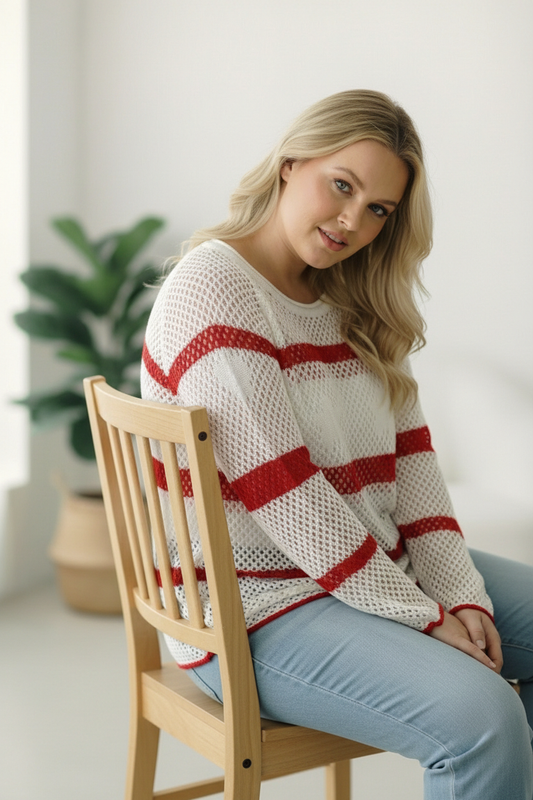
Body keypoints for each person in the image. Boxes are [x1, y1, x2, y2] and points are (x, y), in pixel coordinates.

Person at [141, 90, 533, 798]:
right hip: (250, 607)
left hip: (362, 576)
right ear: (291, 164)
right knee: (481, 717)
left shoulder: (353, 299)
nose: (352, 222)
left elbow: (414, 467)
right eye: (342, 186)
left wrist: (459, 593)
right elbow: (285, 494)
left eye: (378, 209)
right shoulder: (214, 288)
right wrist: (424, 615)